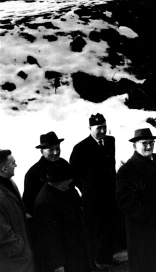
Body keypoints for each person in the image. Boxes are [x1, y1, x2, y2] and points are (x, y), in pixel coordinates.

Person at [116, 128, 156, 272]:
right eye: (144, 143)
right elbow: (123, 200)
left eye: (151, 143)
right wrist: (147, 215)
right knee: (146, 263)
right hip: (142, 229)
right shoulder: (127, 170)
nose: (148, 146)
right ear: (134, 146)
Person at [69, 113, 117, 271]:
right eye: (98, 128)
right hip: (93, 198)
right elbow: (74, 174)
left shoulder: (110, 141)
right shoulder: (81, 148)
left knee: (109, 227)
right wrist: (87, 188)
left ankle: (107, 258)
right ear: (90, 128)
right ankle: (96, 261)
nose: (102, 131)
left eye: (104, 127)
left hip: (109, 194)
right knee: (95, 230)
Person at [34, 160, 92, 272]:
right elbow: (49, 239)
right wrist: (58, 265)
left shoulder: (66, 190)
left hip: (78, 251)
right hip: (68, 259)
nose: (71, 181)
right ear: (58, 182)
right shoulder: (45, 203)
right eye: (68, 179)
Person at [0, 149, 35, 272]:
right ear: (4, 169)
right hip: (15, 261)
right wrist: (20, 248)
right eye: (13, 163)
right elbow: (3, 234)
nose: (16, 165)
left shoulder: (9, 182)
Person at [23, 131, 69, 216]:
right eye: (51, 150)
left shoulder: (64, 164)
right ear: (41, 151)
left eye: (57, 148)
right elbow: (28, 204)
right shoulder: (33, 173)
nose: (55, 152)